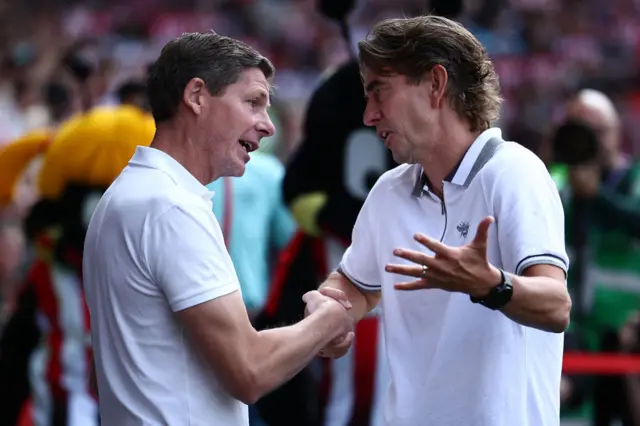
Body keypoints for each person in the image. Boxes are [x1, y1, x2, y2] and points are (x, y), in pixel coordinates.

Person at [306, 15, 571, 426]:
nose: (368, 115)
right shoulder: (389, 191)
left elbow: (557, 306)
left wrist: (489, 284)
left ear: (435, 83)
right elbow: (354, 286)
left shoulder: (514, 172)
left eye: (379, 92)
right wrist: (328, 306)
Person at [82, 32, 354, 426]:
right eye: (253, 103)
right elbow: (249, 371)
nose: (268, 126)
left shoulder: (134, 194)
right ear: (196, 96)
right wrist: (328, 319)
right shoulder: (170, 206)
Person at [547, 90, 640, 425]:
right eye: (578, 130)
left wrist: (596, 196)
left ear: (616, 132)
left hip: (631, 333)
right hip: (581, 335)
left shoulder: (635, 179)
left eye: (596, 131)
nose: (589, 141)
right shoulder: (559, 184)